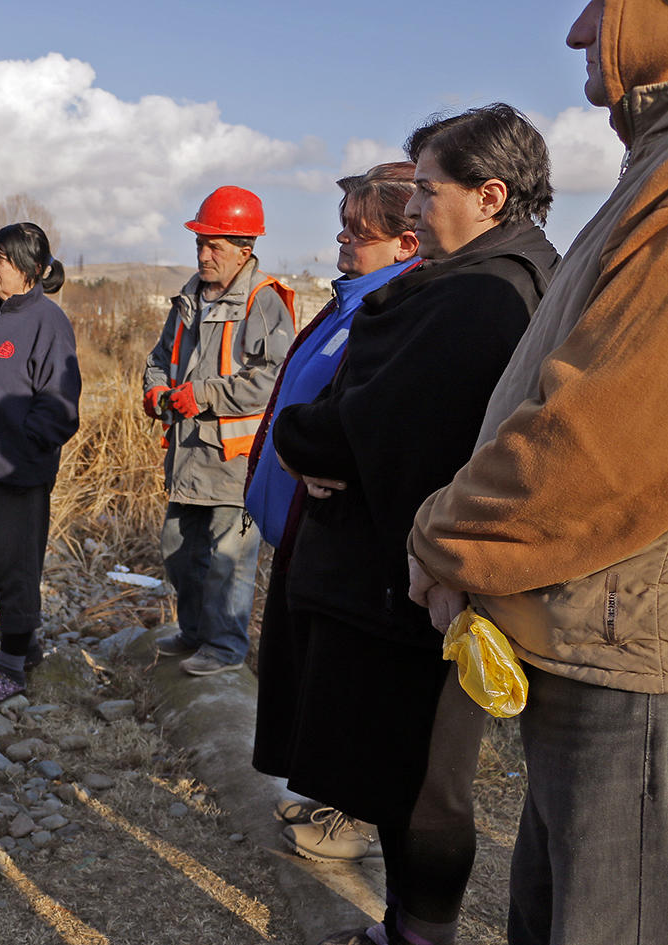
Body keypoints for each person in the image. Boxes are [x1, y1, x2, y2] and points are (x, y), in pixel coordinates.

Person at [408, 3, 668, 942]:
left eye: (603, 6)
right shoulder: (648, 171)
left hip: (630, 657)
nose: (576, 33)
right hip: (593, 631)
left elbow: (601, 438)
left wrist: (446, 537)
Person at [274, 105, 558, 945]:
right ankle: (407, 929)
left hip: (421, 585)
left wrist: (295, 435)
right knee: (409, 778)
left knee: (424, 785)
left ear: (489, 195)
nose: (410, 210)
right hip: (409, 574)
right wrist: (313, 432)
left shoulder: (480, 296)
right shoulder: (493, 277)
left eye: (427, 191)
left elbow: (379, 423)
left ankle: (417, 936)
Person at [245, 163, 421, 861]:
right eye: (344, 227)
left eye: (360, 231)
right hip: (300, 533)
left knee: (350, 685)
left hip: (341, 540)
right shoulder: (349, 303)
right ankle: (332, 795)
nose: (343, 242)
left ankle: (356, 816)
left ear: (406, 243)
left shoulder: (392, 311)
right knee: (314, 676)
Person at [142, 186, 294, 676]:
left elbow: (274, 381)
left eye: (215, 246)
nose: (204, 255)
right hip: (188, 455)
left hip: (236, 462)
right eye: (200, 244)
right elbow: (160, 358)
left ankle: (226, 650)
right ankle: (193, 634)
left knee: (229, 562)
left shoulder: (263, 300)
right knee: (179, 552)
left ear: (244, 250)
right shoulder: (189, 296)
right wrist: (156, 389)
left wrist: (201, 395)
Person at [0, 222, 80, 704]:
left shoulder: (47, 321)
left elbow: (61, 404)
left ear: (29, 269)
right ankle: (26, 647)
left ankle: (12, 668)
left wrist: (22, 447)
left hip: (17, 471)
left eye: (1, 259)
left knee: (16, 565)